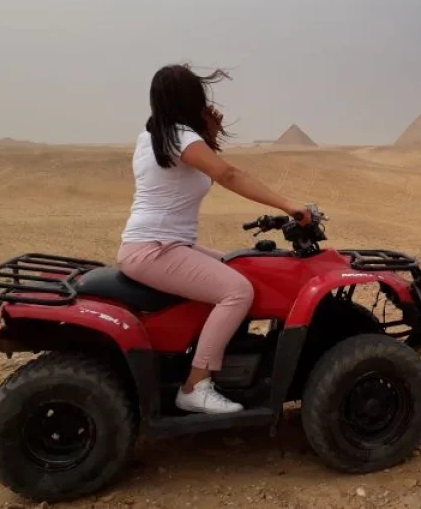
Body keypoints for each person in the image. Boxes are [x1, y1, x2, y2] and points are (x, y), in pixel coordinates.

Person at [118, 64, 312, 414]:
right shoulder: (179, 138)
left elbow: (201, 162)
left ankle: (218, 360)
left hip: (161, 245)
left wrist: (208, 132)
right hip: (155, 249)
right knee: (238, 291)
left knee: (238, 266)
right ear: (190, 99)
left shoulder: (153, 137)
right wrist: (289, 205)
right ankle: (195, 385)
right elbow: (228, 173)